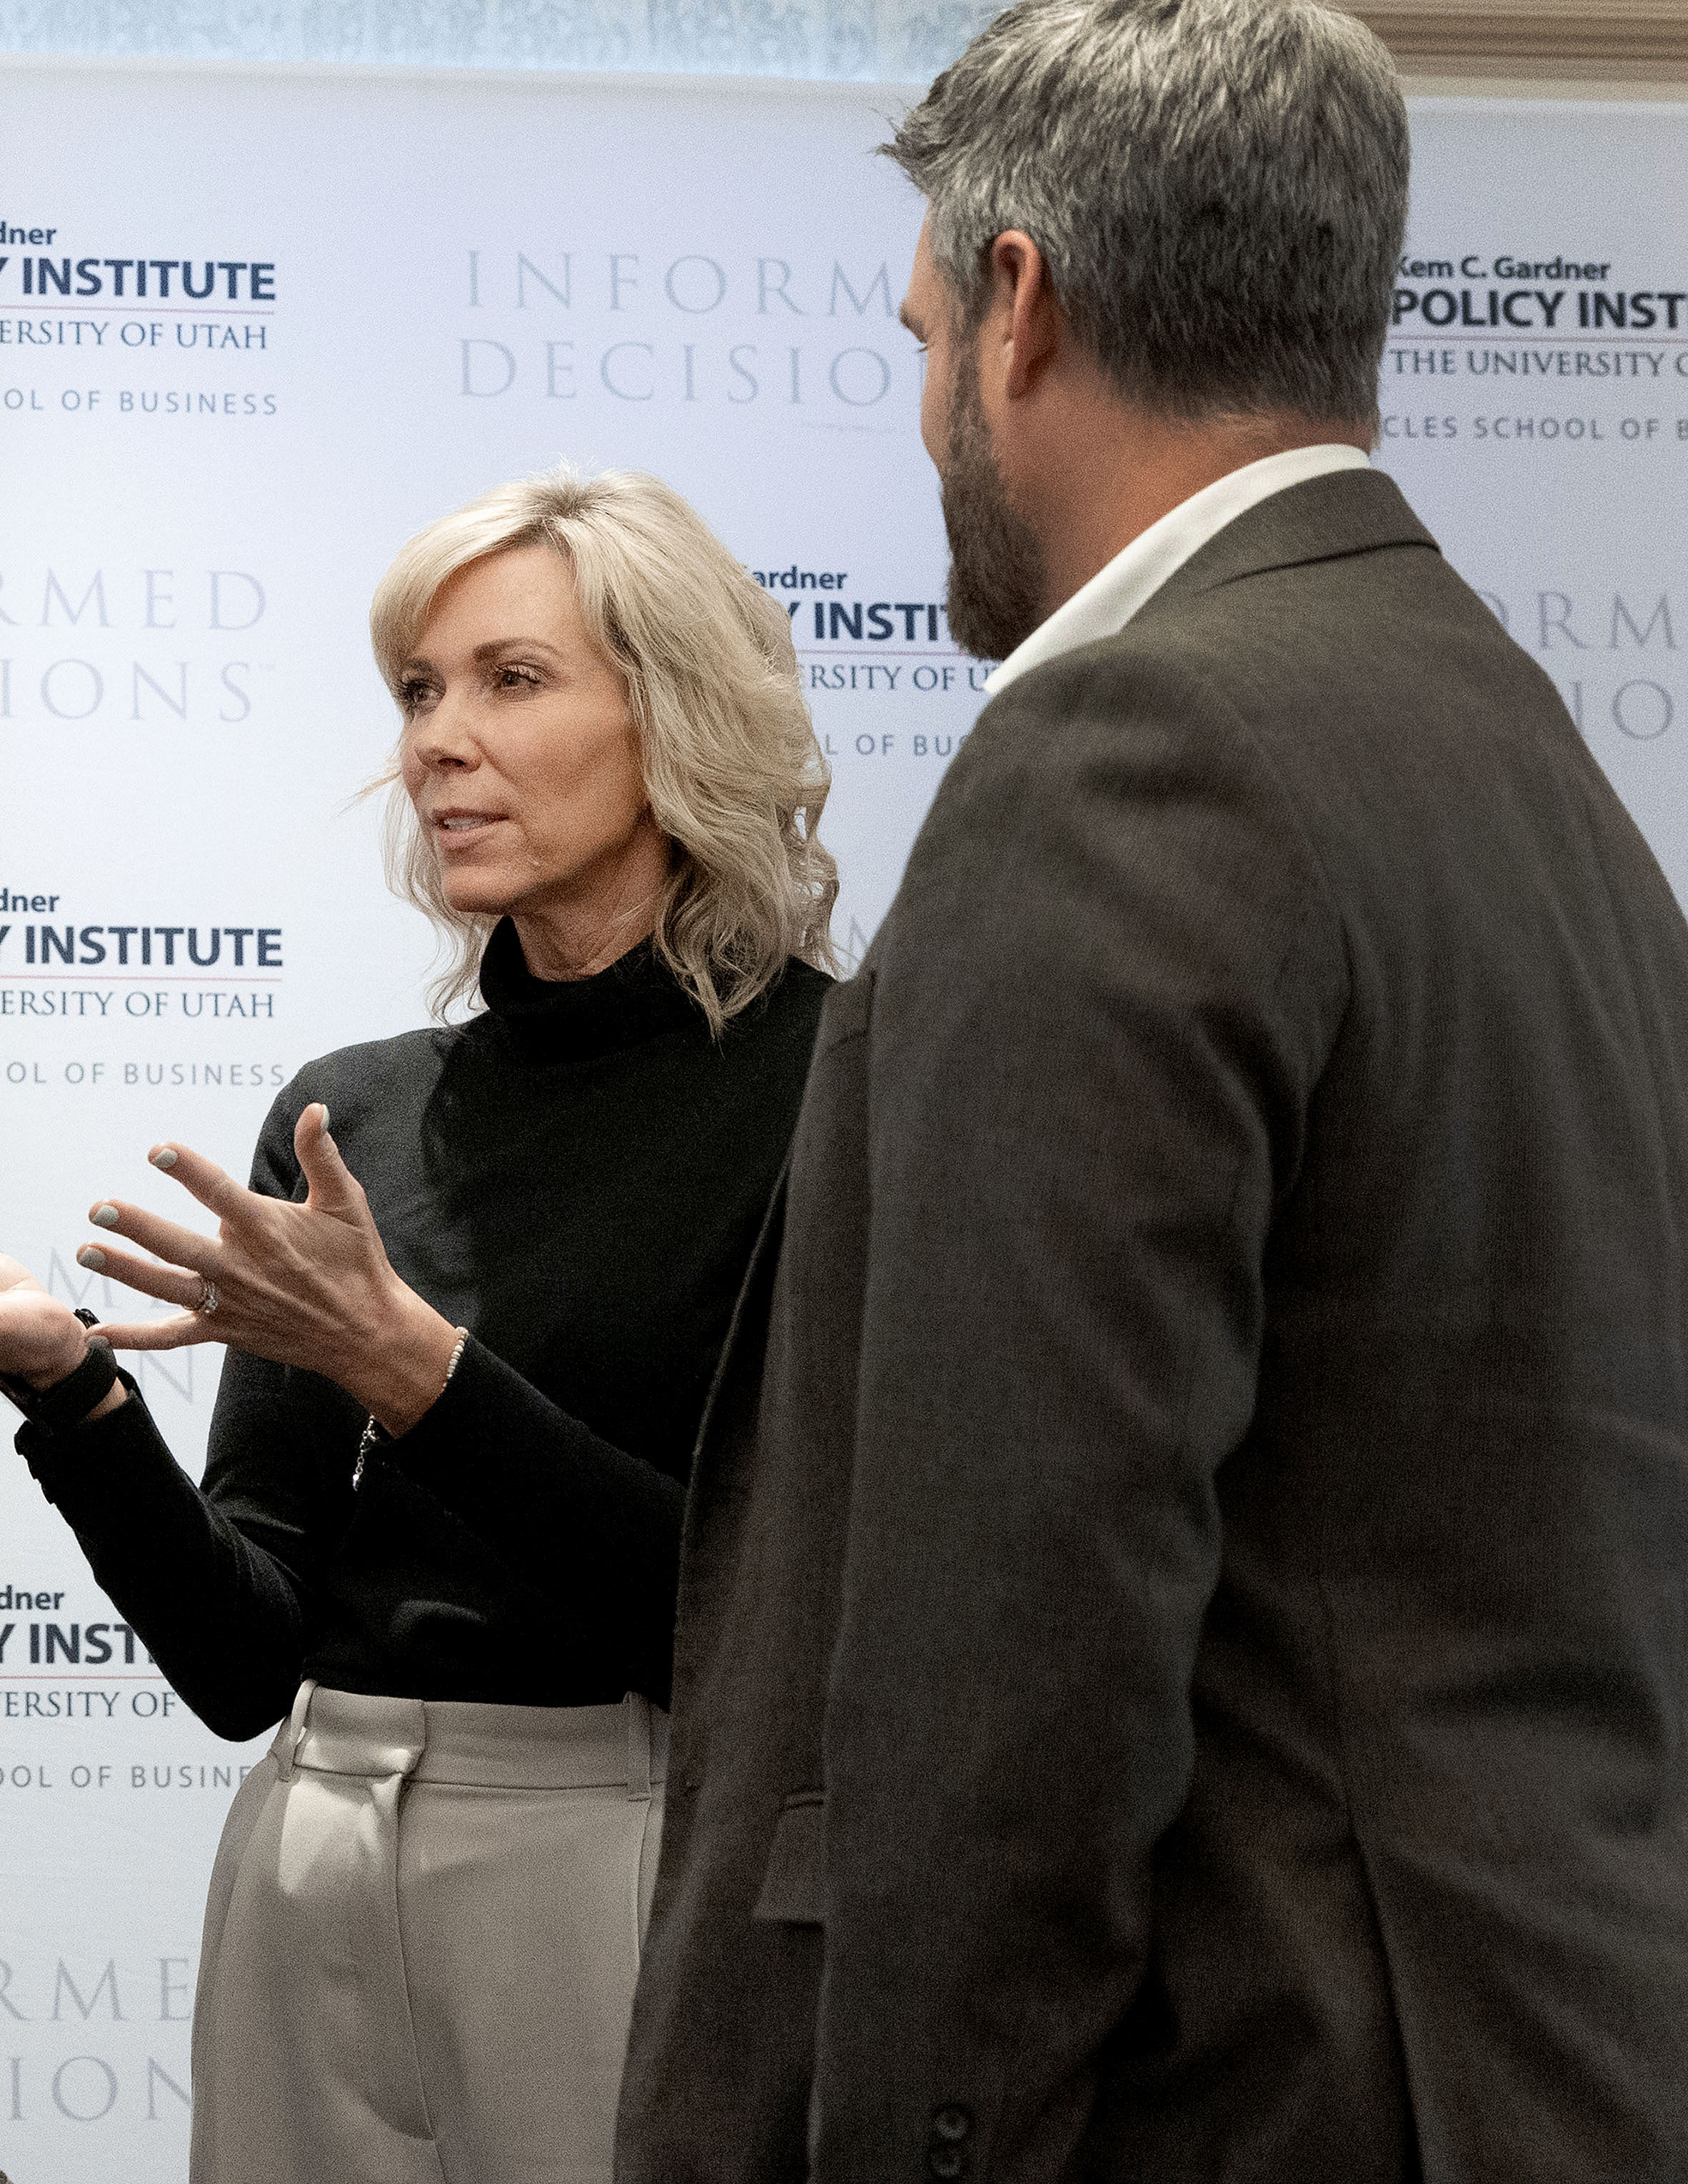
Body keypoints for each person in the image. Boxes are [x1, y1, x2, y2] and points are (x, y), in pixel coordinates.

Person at [618, 5, 1688, 2180]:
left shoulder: (1129, 752)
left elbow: (1006, 1663)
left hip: (1251, 2100)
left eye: (920, 330)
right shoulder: (1530, 761)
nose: (921, 405)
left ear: (1018, 304)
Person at [0, 468, 836, 2184]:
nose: (436, 743)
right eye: (417, 691)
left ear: (675, 705)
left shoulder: (836, 1089)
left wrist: (406, 1366)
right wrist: (69, 1385)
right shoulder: (353, 1117)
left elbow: (756, 1632)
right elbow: (242, 1661)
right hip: (312, 1843)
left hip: (629, 1847)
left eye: (510, 679)